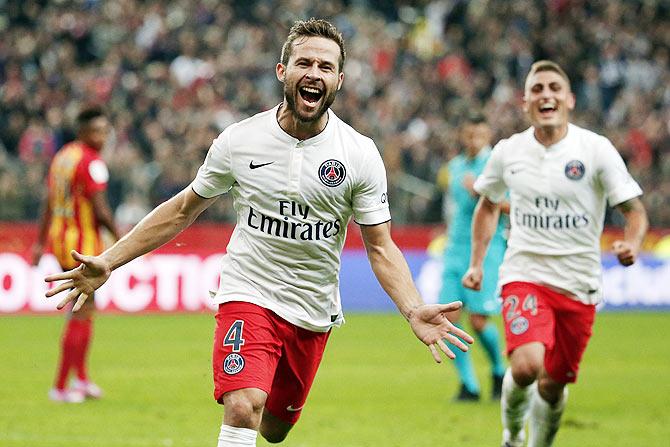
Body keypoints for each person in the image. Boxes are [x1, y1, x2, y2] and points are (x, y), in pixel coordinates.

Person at [44, 19, 473, 446]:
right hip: (249, 291)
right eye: (304, 62)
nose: (314, 74)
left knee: (274, 428)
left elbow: (379, 246)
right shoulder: (239, 140)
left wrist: (413, 307)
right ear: (281, 70)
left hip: (312, 309)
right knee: (243, 405)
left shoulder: (359, 154)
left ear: (339, 80)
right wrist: (110, 260)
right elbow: (183, 209)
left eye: (325, 67)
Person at [462, 60, 648, 447]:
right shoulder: (509, 151)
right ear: (525, 102)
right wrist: (477, 263)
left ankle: (539, 443)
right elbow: (488, 203)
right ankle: (512, 434)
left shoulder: (595, 150)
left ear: (569, 99)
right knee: (528, 366)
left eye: (554, 88)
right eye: (538, 89)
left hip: (579, 286)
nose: (546, 94)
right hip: (524, 274)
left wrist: (632, 242)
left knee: (552, 384)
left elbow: (634, 211)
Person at [33, 106, 120, 403]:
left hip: (60, 238)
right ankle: (60, 386)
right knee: (81, 309)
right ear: (83, 132)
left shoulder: (62, 156)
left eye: (106, 131)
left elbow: (48, 199)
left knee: (86, 308)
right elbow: (101, 209)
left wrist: (39, 241)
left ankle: (81, 379)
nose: (103, 137)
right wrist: (125, 240)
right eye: (98, 131)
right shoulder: (90, 161)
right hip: (81, 244)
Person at [439, 112, 507, 402]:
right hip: (455, 248)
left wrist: (481, 193)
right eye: (468, 134)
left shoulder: (498, 166)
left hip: (486, 248)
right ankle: (469, 385)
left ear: (488, 135)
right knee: (447, 320)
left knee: (479, 320)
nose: (473, 140)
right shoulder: (454, 167)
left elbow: (512, 206)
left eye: (478, 134)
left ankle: (499, 371)